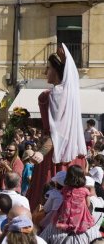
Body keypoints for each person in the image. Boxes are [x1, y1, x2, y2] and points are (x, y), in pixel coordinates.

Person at [26, 44, 87, 210]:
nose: (46, 72)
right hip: (73, 156)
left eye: (49, 68)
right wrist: (28, 121)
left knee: (47, 202)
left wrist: (41, 151)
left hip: (55, 156)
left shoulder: (51, 95)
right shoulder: (70, 94)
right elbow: (55, 127)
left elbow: (56, 132)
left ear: (58, 71)